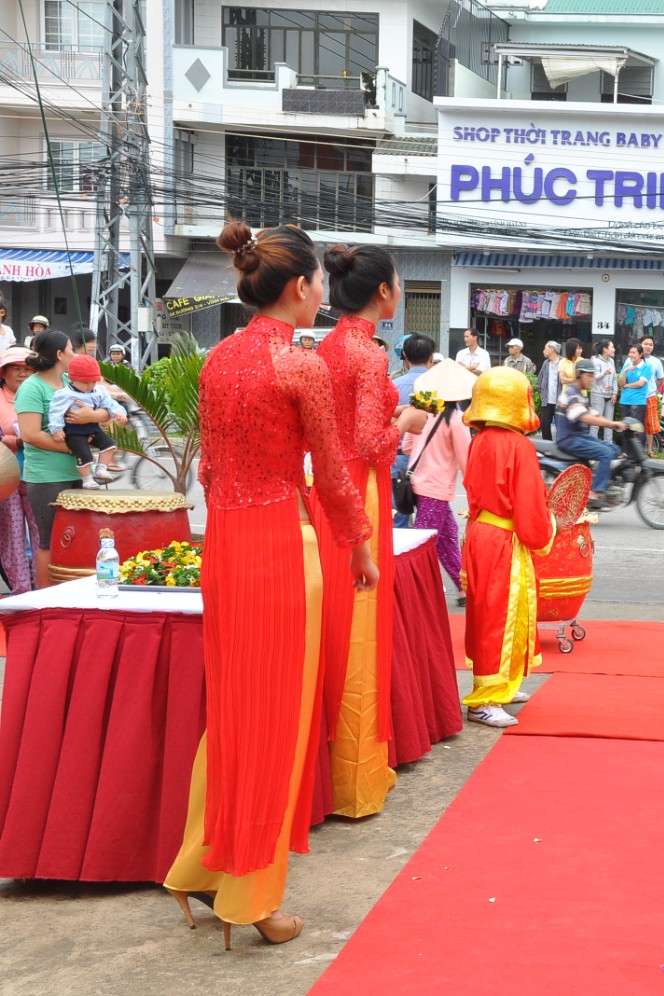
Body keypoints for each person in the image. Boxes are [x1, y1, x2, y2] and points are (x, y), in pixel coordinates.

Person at [164, 220, 376, 948]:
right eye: (317, 283)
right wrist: (359, 548)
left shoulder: (218, 359)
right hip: (280, 544)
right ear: (299, 287)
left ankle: (200, 866)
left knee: (234, 709)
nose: (321, 295)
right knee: (277, 719)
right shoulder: (298, 366)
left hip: (226, 542)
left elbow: (209, 469)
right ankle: (250, 895)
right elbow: (334, 474)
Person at [312, 243, 403, 821]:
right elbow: (372, 441)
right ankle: (354, 779)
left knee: (333, 624)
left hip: (326, 486)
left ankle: (329, 776)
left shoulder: (325, 345)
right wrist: (407, 422)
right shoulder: (367, 354)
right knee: (360, 630)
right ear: (383, 291)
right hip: (361, 488)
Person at [461, 367, 556, 729]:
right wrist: (547, 530)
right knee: (500, 616)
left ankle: (500, 682)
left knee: (487, 613)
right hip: (502, 539)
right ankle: (485, 698)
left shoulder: (479, 440)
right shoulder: (519, 446)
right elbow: (530, 504)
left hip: (480, 533)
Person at [15, 330, 104, 586]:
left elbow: (105, 407)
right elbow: (31, 434)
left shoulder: (71, 381)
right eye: (71, 350)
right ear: (59, 354)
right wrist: (75, 450)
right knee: (50, 540)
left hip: (81, 473)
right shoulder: (32, 387)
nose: (75, 355)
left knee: (82, 537)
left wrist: (92, 416)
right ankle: (46, 598)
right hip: (47, 477)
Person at [396, 360, 474, 592]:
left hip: (418, 483)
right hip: (436, 488)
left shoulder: (423, 411)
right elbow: (466, 461)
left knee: (447, 536)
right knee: (424, 544)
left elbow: (407, 447)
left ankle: (463, 586)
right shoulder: (456, 419)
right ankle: (410, 589)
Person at [555, 358, 627, 509]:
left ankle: (602, 482)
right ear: (579, 374)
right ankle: (594, 494)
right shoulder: (571, 394)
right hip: (569, 439)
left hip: (579, 436)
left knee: (614, 449)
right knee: (606, 453)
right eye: (589, 375)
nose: (592, 379)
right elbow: (585, 417)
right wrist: (611, 424)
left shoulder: (581, 395)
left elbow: (594, 414)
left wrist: (615, 424)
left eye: (593, 375)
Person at [47, 354, 127, 489]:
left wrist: (119, 413)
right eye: (85, 382)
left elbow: (109, 403)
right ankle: (87, 479)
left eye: (93, 381)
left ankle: (101, 468)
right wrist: (56, 429)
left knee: (110, 445)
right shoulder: (64, 394)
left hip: (93, 428)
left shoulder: (99, 391)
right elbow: (56, 412)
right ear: (73, 378)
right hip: (74, 431)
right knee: (84, 455)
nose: (90, 385)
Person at [0, 347, 38, 593]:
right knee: (12, 534)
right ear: (4, 373)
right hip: (6, 477)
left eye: (28, 369)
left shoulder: (39, 393)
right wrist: (16, 441)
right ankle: (20, 589)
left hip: (37, 474)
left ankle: (42, 585)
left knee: (40, 533)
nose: (23, 373)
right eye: (16, 368)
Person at [389, 334, 436, 529]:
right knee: (429, 522)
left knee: (397, 521)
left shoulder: (393, 386)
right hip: (432, 460)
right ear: (431, 358)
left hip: (398, 458)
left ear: (405, 357)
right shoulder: (441, 387)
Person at [640, 335, 664, 454]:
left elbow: (661, 379)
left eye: (650, 345)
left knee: (649, 424)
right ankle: (635, 450)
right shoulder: (633, 358)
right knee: (636, 423)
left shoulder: (656, 361)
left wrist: (652, 387)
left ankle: (650, 449)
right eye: (645, 344)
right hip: (636, 396)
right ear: (640, 345)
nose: (648, 347)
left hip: (650, 396)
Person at [589, 339, 618, 441]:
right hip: (598, 395)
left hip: (610, 396)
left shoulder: (611, 361)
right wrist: (604, 373)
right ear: (605, 349)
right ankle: (592, 446)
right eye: (612, 347)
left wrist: (615, 393)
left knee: (609, 424)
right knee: (595, 423)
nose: (614, 349)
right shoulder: (595, 361)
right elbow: (595, 377)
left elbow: (614, 378)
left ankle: (608, 446)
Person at [617, 344, 650, 424]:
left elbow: (640, 384)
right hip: (625, 401)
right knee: (625, 428)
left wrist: (627, 385)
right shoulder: (627, 366)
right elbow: (621, 383)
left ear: (640, 354)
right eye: (630, 352)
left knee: (636, 428)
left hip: (638, 402)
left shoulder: (646, 367)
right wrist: (625, 371)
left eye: (633, 353)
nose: (630, 355)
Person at [537, 341, 561, 441]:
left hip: (560, 401)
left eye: (545, 348)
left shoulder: (563, 362)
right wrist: (540, 391)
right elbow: (540, 379)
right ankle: (547, 445)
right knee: (544, 424)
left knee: (560, 426)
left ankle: (561, 445)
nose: (543, 351)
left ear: (551, 349)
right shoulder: (546, 363)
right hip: (547, 400)